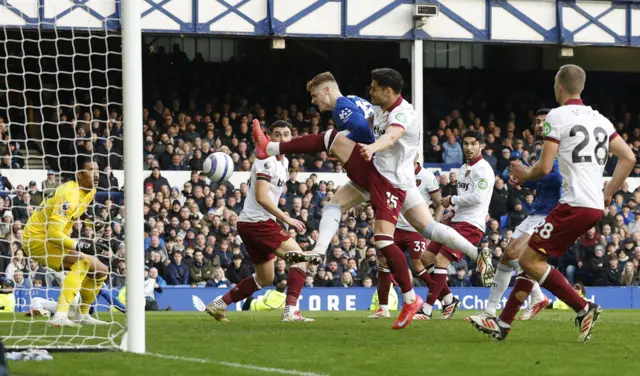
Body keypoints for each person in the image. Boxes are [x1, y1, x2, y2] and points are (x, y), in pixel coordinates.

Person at [254, 69, 492, 329]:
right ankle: (476, 252)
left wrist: (368, 146)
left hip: (387, 178)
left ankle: (410, 299)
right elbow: (368, 126)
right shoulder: (379, 107)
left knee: (381, 237)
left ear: (387, 91)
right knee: (425, 227)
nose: (370, 91)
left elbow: (387, 136)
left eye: (374, 87)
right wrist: (354, 142)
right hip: (395, 176)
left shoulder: (398, 113)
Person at [472, 64, 636, 343]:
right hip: (592, 205)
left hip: (573, 204)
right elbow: (629, 158)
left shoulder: (557, 116)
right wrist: (608, 192)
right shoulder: (601, 120)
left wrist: (524, 174)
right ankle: (503, 323)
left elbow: (545, 167)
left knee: (528, 259)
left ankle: (584, 308)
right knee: (532, 260)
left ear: (559, 86)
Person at [205, 121, 320, 323]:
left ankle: (220, 304)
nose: (283, 139)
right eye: (278, 134)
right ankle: (291, 311)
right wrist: (287, 218)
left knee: (265, 278)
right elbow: (261, 197)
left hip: (251, 223)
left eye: (286, 134)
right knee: (300, 259)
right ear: (270, 138)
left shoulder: (283, 163)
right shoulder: (265, 161)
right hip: (258, 223)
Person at [469, 109, 560, 324]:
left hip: (551, 215)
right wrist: (523, 180)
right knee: (508, 257)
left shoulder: (560, 150)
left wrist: (528, 173)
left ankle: (496, 314)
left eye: (543, 122)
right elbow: (540, 179)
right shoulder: (543, 150)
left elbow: (557, 179)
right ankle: (525, 301)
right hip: (536, 213)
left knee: (514, 253)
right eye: (537, 122)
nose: (538, 125)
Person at [23, 155, 111, 327]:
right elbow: (53, 233)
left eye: (97, 170)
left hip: (51, 239)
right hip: (37, 239)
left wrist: (90, 221)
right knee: (82, 262)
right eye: (91, 170)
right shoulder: (68, 193)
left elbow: (78, 211)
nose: (96, 174)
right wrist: (82, 245)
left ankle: (81, 315)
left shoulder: (90, 190)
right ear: (79, 174)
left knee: (101, 270)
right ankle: (60, 316)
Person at [418, 130, 495, 320]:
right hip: (455, 221)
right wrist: (451, 213)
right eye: (466, 144)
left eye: (473, 143)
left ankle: (427, 309)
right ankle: (449, 299)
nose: (469, 147)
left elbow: (479, 197)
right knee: (426, 257)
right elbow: (463, 200)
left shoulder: (483, 169)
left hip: (471, 225)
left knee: (441, 261)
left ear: (481, 146)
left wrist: (452, 199)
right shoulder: (463, 168)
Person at [369, 154, 443, 319]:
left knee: (419, 265)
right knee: (383, 263)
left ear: (416, 156)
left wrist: (433, 227)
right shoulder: (393, 172)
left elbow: (440, 203)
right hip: (394, 226)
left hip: (415, 228)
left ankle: (441, 299)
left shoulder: (427, 176)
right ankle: (383, 309)